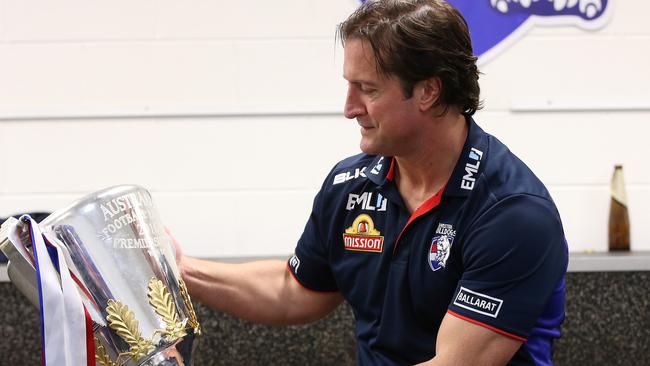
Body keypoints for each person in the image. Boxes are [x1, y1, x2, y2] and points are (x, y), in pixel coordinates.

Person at [173, 0, 568, 365]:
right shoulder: (350, 185)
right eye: (349, 85)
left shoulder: (513, 213)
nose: (348, 108)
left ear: (429, 90)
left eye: (368, 89)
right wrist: (179, 269)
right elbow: (293, 290)